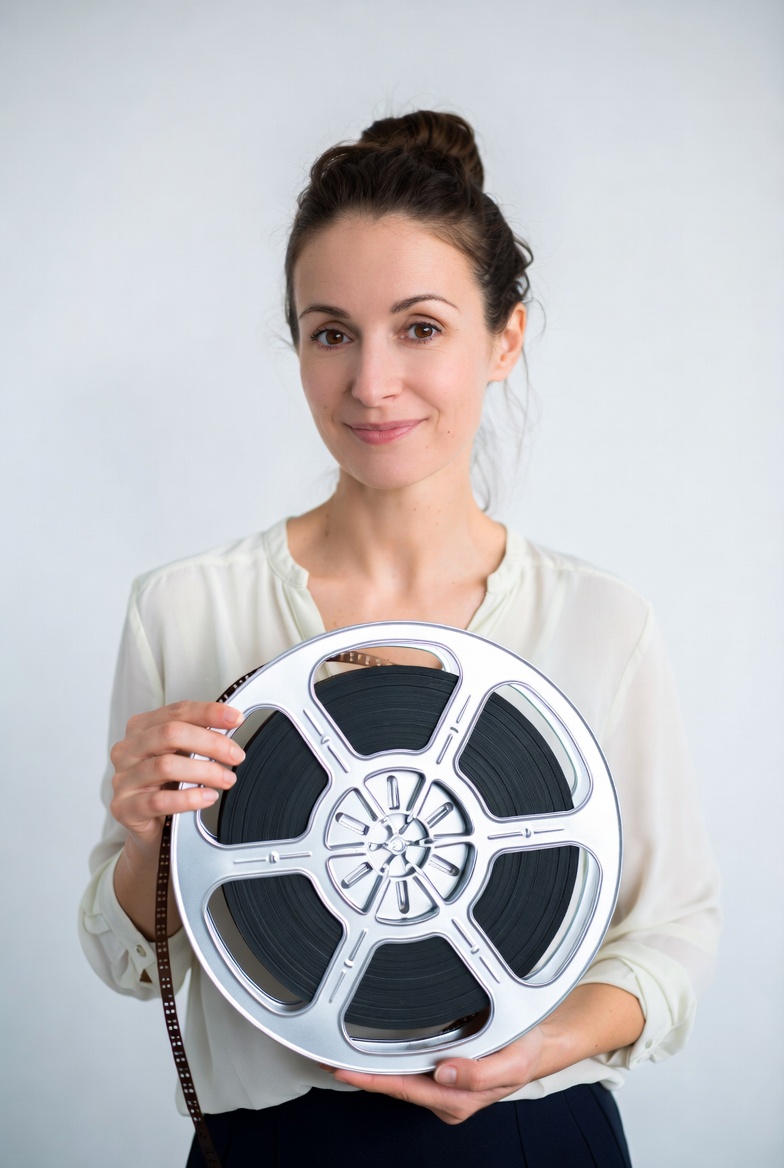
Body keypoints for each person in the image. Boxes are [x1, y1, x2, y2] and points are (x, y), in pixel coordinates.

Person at [79, 111, 720, 1167]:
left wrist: (538, 1050)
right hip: (273, 1147)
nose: (371, 383)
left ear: (504, 338)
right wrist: (151, 839)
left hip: (532, 1133)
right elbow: (129, 960)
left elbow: (671, 934)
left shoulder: (602, 621)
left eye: (419, 328)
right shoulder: (183, 609)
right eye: (331, 333)